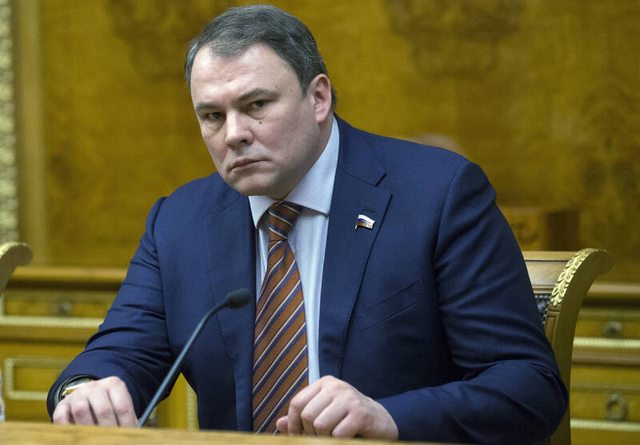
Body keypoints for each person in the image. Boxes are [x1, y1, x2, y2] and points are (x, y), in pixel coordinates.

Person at [47, 4, 567, 443]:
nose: (234, 134)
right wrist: (86, 390)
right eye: (212, 116)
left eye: (256, 105)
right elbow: (119, 352)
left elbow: (529, 385)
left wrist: (388, 418)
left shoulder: (437, 196)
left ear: (318, 98)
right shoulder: (180, 222)